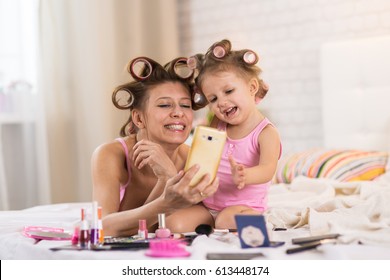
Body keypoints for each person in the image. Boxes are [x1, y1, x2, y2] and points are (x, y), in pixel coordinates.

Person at [91, 56, 218, 237]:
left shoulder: (192, 159)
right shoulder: (110, 154)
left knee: (176, 223)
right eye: (165, 105)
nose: (178, 113)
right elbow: (102, 226)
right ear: (139, 118)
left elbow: (201, 217)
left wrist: (167, 178)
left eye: (185, 105)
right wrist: (166, 194)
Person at [188, 39, 282, 229]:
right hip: (208, 205)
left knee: (225, 220)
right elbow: (206, 153)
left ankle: (261, 222)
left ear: (252, 87)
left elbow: (267, 170)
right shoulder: (218, 123)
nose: (221, 102)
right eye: (213, 99)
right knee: (176, 221)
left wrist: (245, 175)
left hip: (242, 207)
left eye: (229, 91)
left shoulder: (266, 132)